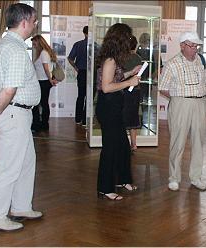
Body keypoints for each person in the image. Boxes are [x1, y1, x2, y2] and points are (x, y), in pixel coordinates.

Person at [0, 3, 43, 231]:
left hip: (15, 113)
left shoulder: (2, 45)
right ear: (24, 22)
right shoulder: (16, 49)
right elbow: (9, 88)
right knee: (8, 166)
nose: (35, 25)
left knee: (26, 162)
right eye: (34, 21)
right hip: (15, 112)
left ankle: (20, 205)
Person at [159, 31, 206, 192]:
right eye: (192, 45)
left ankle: (196, 177)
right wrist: (179, 98)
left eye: (196, 45)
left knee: (198, 141)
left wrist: (199, 93)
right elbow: (163, 88)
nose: (195, 49)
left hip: (200, 103)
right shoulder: (172, 63)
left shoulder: (202, 60)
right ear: (182, 46)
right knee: (178, 141)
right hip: (180, 104)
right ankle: (174, 178)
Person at [95, 23, 141, 201]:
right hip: (108, 107)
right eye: (127, 38)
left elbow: (115, 77)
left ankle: (123, 179)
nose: (130, 41)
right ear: (120, 39)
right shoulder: (110, 60)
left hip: (114, 106)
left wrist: (130, 73)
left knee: (122, 146)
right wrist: (129, 82)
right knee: (110, 148)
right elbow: (106, 87)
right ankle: (105, 188)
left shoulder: (113, 58)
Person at [31, 35, 59, 132]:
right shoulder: (46, 52)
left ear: (39, 42)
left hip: (43, 82)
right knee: (43, 103)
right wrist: (50, 79)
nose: (33, 45)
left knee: (37, 104)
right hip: (44, 81)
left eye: (34, 43)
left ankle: (37, 125)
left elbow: (46, 69)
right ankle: (43, 124)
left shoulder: (43, 53)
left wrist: (50, 80)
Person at [122, 35, 143, 152]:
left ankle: (124, 143)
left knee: (123, 116)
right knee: (134, 115)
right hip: (135, 89)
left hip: (123, 89)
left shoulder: (121, 57)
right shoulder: (138, 58)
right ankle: (134, 144)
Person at [68, 26, 88, 125]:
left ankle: (78, 119)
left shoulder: (78, 44)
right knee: (89, 96)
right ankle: (85, 120)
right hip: (90, 73)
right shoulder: (95, 45)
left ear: (84, 33)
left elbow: (70, 58)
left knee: (81, 96)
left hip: (81, 72)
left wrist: (76, 67)